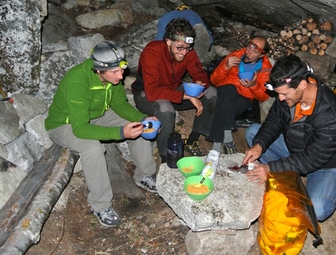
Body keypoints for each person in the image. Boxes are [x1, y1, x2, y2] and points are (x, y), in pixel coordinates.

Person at [45, 41, 158, 227]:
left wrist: (143, 117)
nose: (120, 76)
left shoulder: (112, 78)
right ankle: (100, 204)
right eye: (114, 72)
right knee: (92, 148)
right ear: (98, 70)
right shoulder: (77, 81)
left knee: (139, 125)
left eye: (121, 69)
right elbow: (80, 128)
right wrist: (121, 132)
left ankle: (144, 175)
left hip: (96, 116)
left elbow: (120, 105)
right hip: (64, 124)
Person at [242, 54, 336, 221]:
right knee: (253, 133)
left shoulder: (333, 117)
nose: (280, 98)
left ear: (302, 85)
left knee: (318, 210)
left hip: (324, 164)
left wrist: (270, 168)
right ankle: (289, 173)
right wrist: (260, 144)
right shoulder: (288, 92)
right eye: (278, 94)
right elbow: (274, 120)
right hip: (294, 146)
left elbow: (311, 160)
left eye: (284, 94)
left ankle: (292, 175)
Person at [132, 18, 217, 162]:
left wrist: (199, 83)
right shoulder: (152, 51)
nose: (184, 52)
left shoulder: (187, 51)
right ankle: (166, 157)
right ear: (168, 41)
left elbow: (200, 73)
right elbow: (152, 91)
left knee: (211, 93)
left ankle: (193, 139)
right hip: (146, 94)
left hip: (173, 90)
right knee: (165, 108)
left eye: (187, 48)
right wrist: (187, 96)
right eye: (180, 47)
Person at [206, 36, 272, 154]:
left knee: (222, 106)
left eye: (255, 52)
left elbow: (263, 97)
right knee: (229, 89)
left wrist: (253, 85)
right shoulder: (235, 56)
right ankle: (226, 136)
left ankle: (216, 144)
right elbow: (214, 80)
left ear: (261, 55)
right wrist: (225, 66)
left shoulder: (265, 69)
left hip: (242, 100)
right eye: (249, 47)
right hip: (224, 92)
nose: (249, 52)